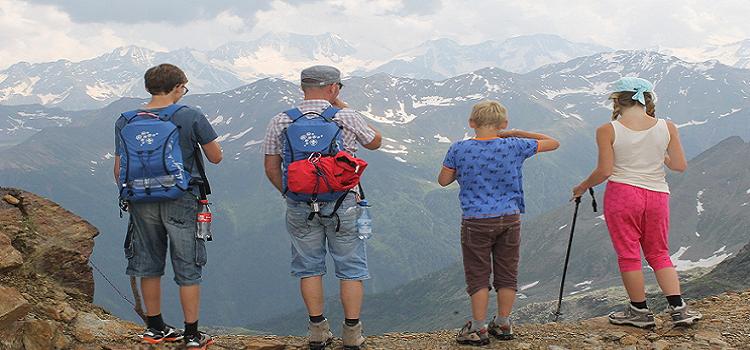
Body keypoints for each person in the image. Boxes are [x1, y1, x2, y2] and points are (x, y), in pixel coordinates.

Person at [262, 65, 382, 350]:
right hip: (344, 203)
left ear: (303, 88)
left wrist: (290, 193)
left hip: (299, 203)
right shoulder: (346, 116)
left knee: (308, 267)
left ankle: (317, 331)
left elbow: (271, 166)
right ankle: (352, 334)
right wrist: (342, 106)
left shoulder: (280, 121)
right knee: (351, 267)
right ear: (333, 88)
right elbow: (375, 142)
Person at [572, 77, 702, 328]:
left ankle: (639, 312)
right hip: (657, 195)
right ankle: (679, 309)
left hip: (623, 195)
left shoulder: (607, 130)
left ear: (617, 100)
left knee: (629, 254)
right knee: (659, 252)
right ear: (647, 99)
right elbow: (679, 166)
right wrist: (658, 154)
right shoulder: (667, 127)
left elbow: (605, 171)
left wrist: (581, 187)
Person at [113, 63, 223, 349]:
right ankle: (192, 334)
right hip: (182, 199)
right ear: (177, 87)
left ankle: (155, 328)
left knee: (148, 264)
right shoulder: (190, 116)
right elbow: (216, 157)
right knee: (188, 265)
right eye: (184, 88)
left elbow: (119, 169)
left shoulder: (126, 120)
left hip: (140, 199)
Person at [438, 100, 559, 345]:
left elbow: (443, 180)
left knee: (478, 275)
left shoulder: (458, 149)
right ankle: (503, 322)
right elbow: (553, 142)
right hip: (509, 218)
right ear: (504, 124)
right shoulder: (514, 145)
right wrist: (515, 133)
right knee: (507, 273)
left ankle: (478, 327)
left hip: (475, 221)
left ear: (472, 123)